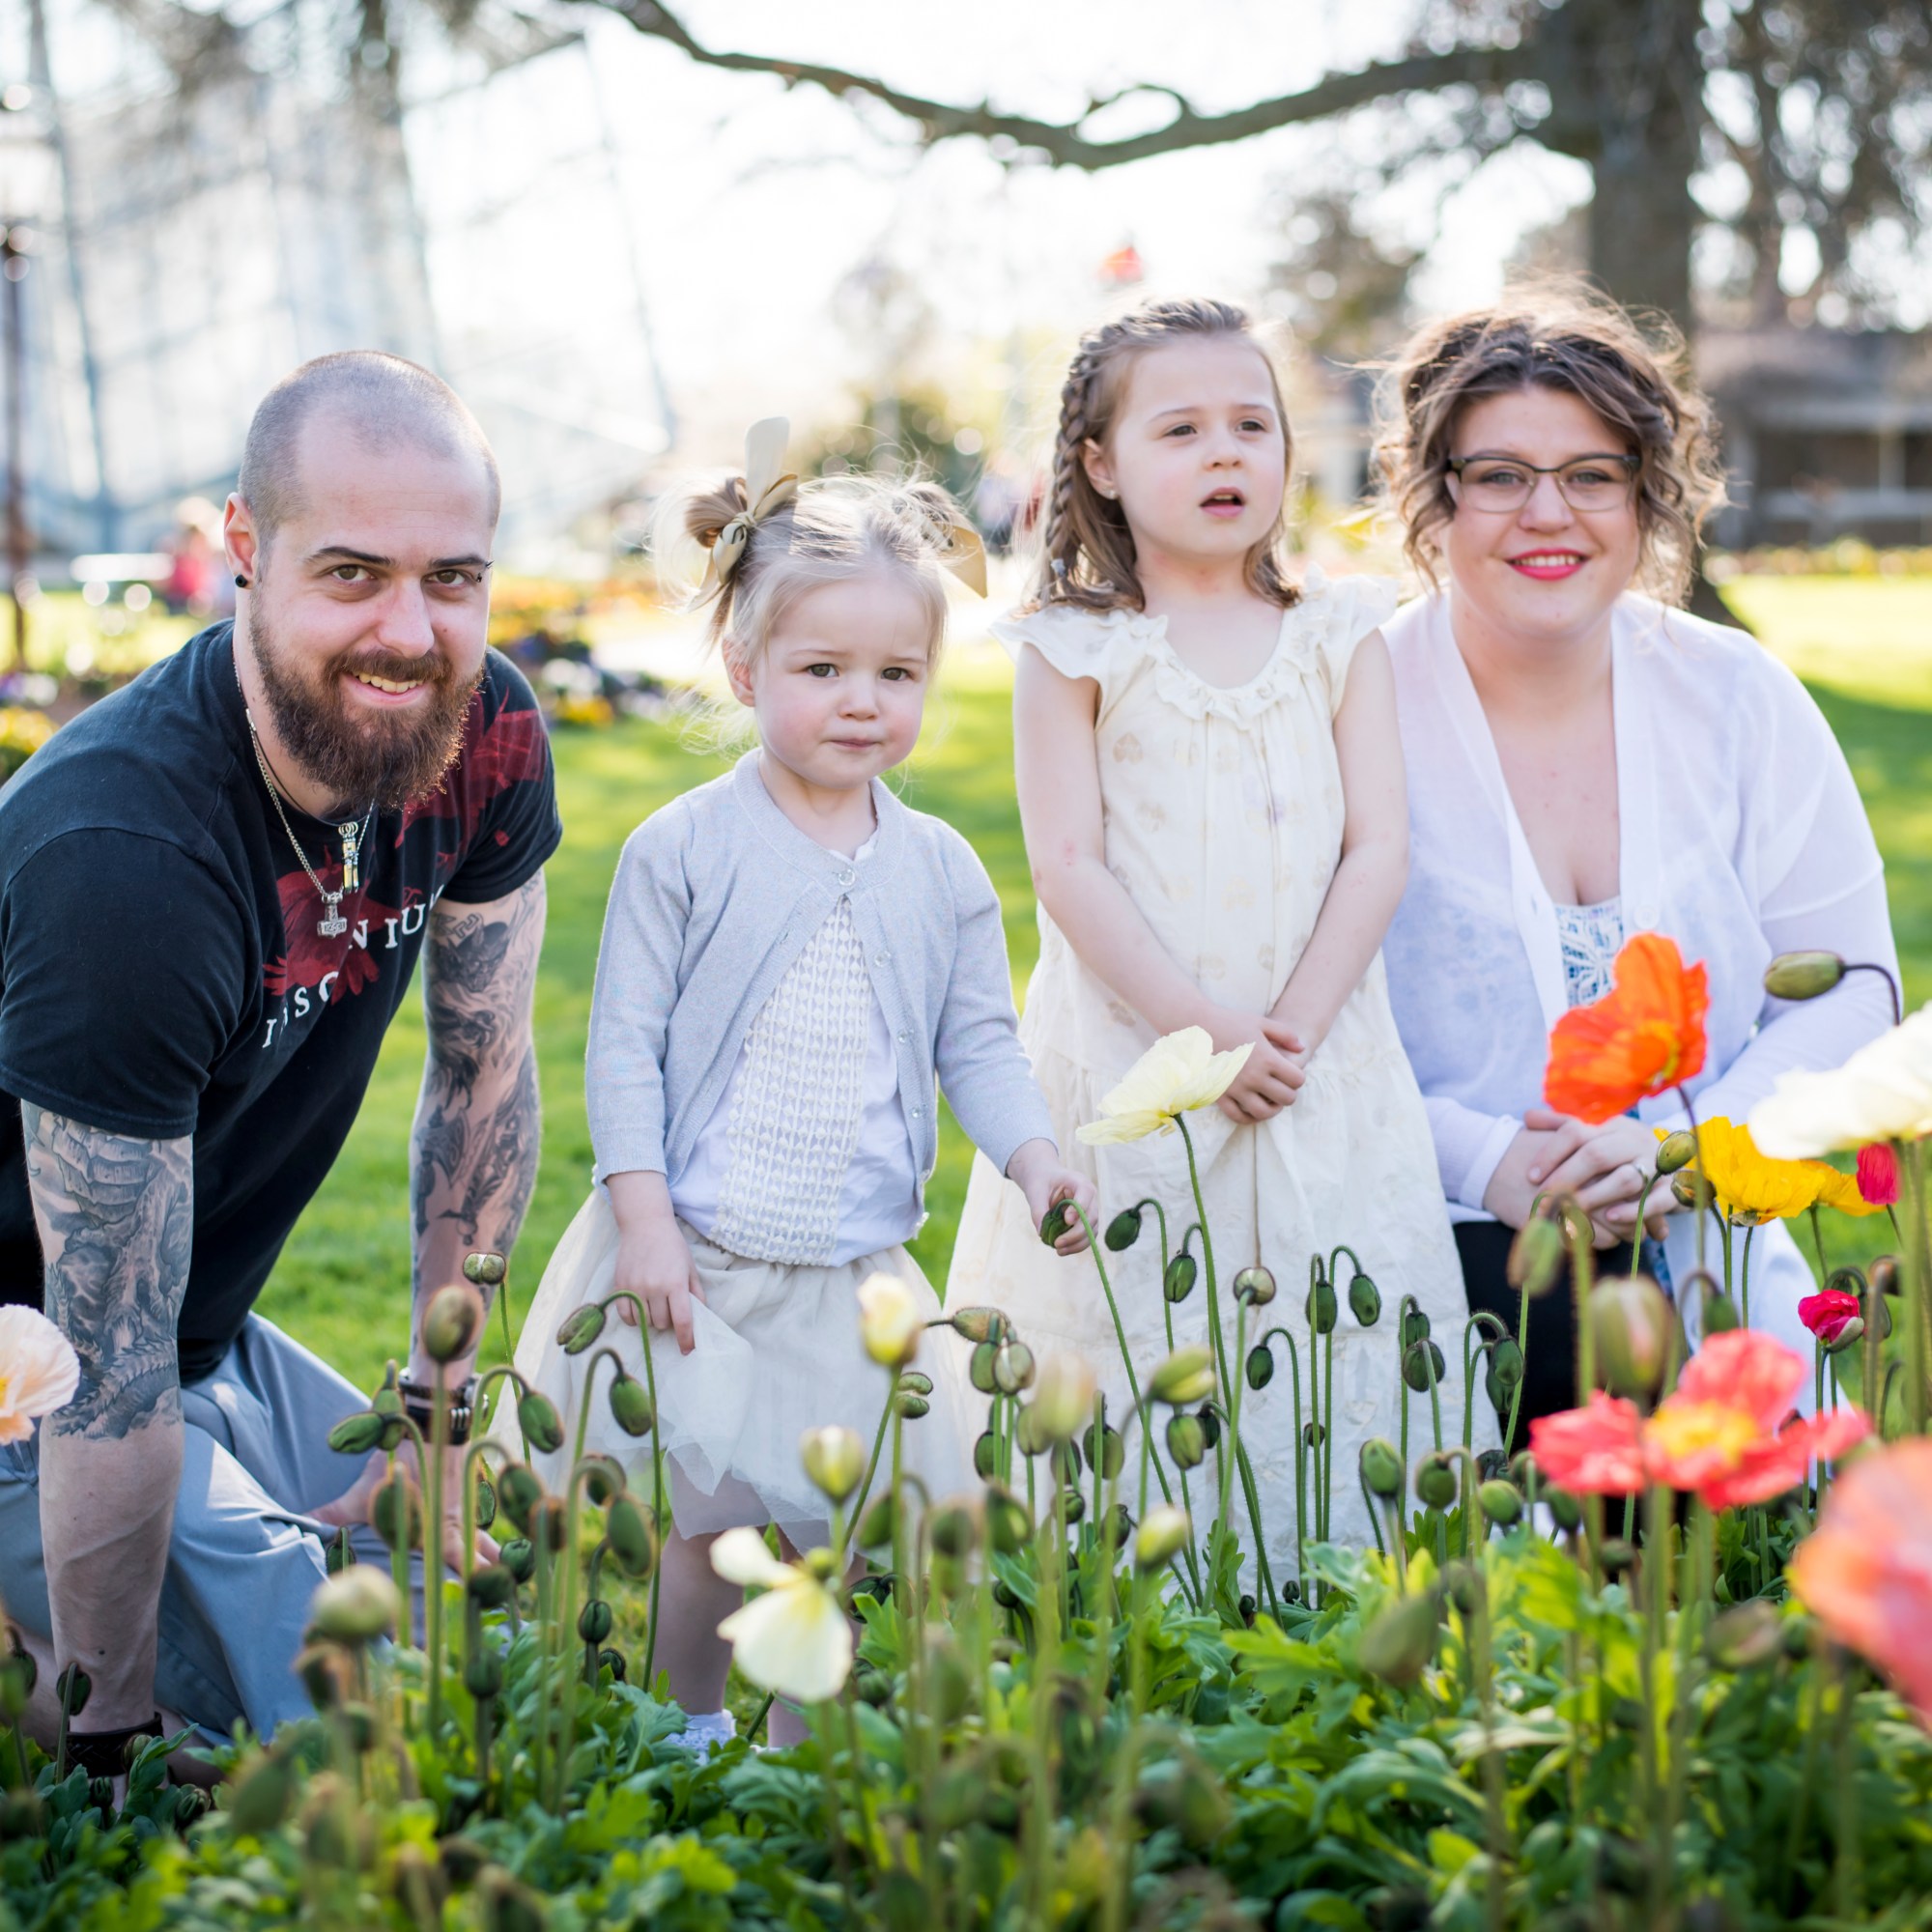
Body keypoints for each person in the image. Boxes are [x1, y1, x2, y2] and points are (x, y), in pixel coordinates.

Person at [0, 352, 559, 1775]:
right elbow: (102, 1378)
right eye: (354, 573)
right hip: (35, 1374)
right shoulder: (124, 862)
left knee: (486, 1645)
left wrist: (438, 1412)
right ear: (243, 551)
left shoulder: (483, 731)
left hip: (200, 1329)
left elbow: (482, 1074)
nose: (412, 631)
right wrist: (112, 1744)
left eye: (453, 578)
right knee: (341, 1746)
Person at [509, 421, 1094, 1749]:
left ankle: (791, 1740)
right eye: (821, 667)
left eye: (896, 672)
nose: (859, 700)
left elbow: (977, 1045)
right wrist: (644, 1217)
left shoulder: (940, 867)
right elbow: (624, 1047)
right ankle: (692, 1725)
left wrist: (1033, 1154)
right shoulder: (686, 849)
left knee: (831, 1517)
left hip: (849, 1266)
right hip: (703, 1251)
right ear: (744, 663)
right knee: (706, 1514)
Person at [945, 298, 1487, 1574]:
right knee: (1137, 1321)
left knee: (1327, 1317)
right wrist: (1206, 1035)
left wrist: (1286, 1029)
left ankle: (1339, 1585)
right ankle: (1126, 1597)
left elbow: (1379, 849)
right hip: (1138, 1055)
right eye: (1180, 429)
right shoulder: (1077, 650)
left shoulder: (1338, 635)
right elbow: (1068, 869)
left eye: (1252, 424)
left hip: (1317, 1054)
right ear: (1099, 464)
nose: (1225, 453)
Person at [1377, 289, 1899, 1444]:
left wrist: (1688, 1150)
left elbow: (1858, 981)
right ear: (1435, 490)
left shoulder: (1735, 696)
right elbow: (1281, 1028)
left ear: (1645, 493)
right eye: (1499, 473)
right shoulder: (1349, 704)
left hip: (1706, 1223)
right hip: (1426, 1236)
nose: (1545, 513)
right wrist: (1487, 1155)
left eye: (1591, 474)